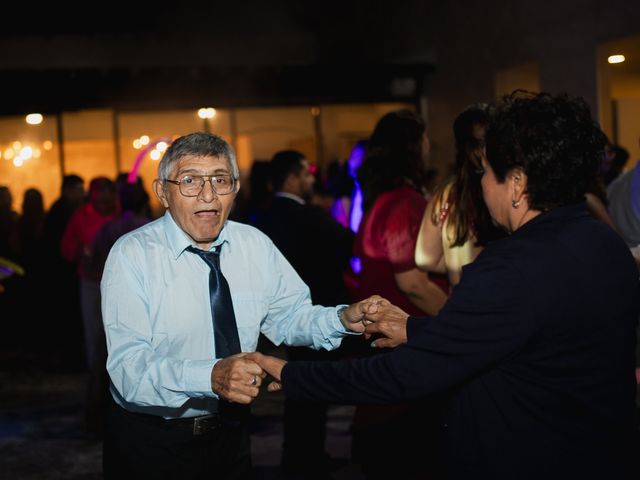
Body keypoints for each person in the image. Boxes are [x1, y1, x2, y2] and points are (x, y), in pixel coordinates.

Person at [249, 91, 640, 480]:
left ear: (518, 185)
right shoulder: (606, 244)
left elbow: (403, 376)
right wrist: (412, 328)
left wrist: (291, 375)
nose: (482, 183)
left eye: (486, 171)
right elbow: (523, 333)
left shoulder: (509, 266)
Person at [100, 132, 377, 479]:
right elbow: (129, 368)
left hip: (232, 435)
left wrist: (342, 318)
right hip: (152, 441)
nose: (207, 194)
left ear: (236, 188)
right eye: (189, 180)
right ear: (162, 192)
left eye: (220, 180)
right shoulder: (132, 255)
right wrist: (211, 376)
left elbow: (290, 316)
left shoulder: (253, 245)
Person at [350, 109, 449, 479]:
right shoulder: (401, 202)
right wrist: (457, 320)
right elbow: (412, 283)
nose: (429, 146)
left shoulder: (383, 199)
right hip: (406, 335)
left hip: (393, 339)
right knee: (408, 446)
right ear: (412, 145)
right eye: (424, 138)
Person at [254, 149, 355, 477]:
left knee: (297, 389)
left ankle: (299, 456)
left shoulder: (263, 217)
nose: (312, 179)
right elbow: (348, 245)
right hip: (315, 314)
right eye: (307, 174)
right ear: (293, 177)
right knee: (312, 390)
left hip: (280, 315)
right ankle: (308, 458)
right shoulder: (309, 215)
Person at [415, 104, 504, 287]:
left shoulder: (447, 193)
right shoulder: (502, 186)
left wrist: (454, 268)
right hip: (494, 297)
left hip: (461, 299)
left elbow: (425, 259)